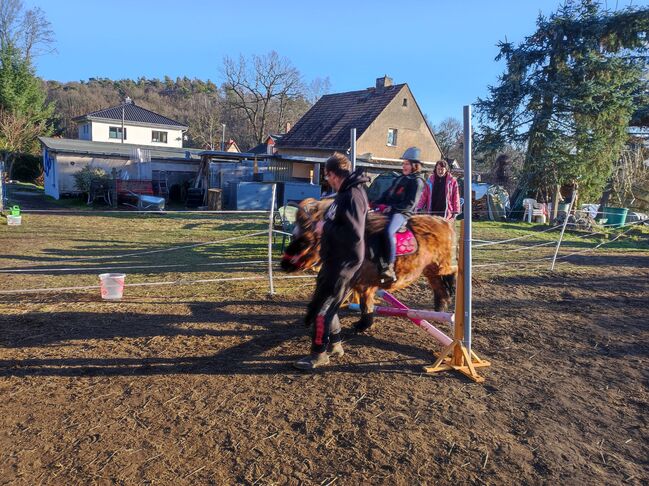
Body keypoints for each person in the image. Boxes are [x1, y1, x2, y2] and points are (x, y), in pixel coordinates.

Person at [294, 152, 369, 370]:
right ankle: (335, 344)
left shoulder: (353, 195)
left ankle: (318, 355)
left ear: (333, 174)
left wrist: (324, 227)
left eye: (326, 176)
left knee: (322, 310)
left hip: (344, 264)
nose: (327, 181)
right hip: (334, 260)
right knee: (327, 306)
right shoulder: (344, 194)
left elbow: (354, 234)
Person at [373, 147, 426, 283]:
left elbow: (410, 203)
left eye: (406, 164)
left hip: (402, 213)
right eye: (403, 164)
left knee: (389, 231)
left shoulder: (417, 181)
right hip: (390, 210)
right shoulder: (400, 178)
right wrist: (374, 203)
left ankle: (389, 267)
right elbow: (387, 195)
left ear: (415, 165)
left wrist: (391, 208)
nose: (404, 166)